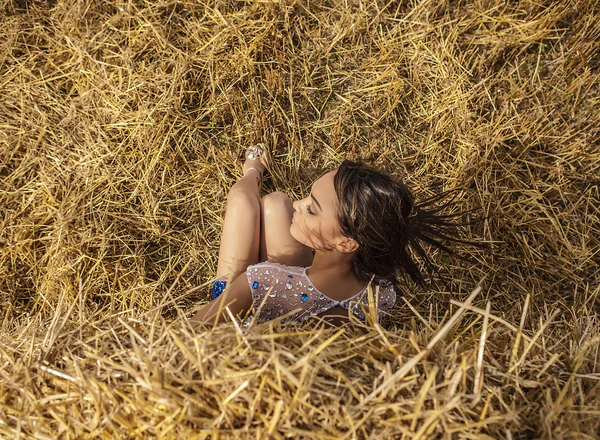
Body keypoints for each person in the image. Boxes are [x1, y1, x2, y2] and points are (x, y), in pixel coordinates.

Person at [190, 144, 480, 329]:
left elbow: (191, 333)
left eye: (312, 209)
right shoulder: (383, 295)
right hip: (297, 283)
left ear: (346, 242)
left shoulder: (262, 279)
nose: (298, 203)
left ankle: (252, 171)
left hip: (241, 305)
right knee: (277, 203)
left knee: (243, 201)